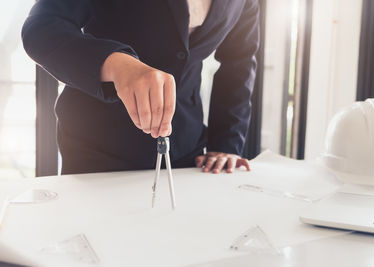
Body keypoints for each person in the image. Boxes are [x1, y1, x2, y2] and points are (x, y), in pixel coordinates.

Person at [22, 0, 260, 175]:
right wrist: (115, 64)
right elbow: (41, 29)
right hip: (99, 145)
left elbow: (239, 62)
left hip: (189, 151)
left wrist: (226, 145)